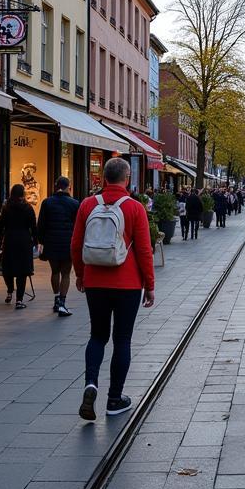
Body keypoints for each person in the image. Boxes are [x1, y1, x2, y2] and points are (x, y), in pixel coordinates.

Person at [72, 156, 155, 420]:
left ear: (103, 178)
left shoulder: (87, 204)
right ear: (127, 178)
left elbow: (76, 244)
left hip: (95, 281)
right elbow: (144, 250)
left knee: (97, 336)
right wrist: (149, 285)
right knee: (122, 339)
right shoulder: (134, 207)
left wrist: (81, 274)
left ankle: (91, 383)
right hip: (128, 284)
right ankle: (115, 399)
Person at [37, 176, 80, 316]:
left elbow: (41, 224)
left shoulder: (47, 202)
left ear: (56, 187)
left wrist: (41, 241)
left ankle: (56, 299)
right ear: (69, 187)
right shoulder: (74, 204)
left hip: (51, 242)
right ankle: (62, 302)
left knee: (54, 271)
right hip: (68, 242)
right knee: (66, 273)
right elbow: (78, 226)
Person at [0, 184, 37, 308]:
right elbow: (33, 227)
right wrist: (36, 241)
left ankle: (9, 291)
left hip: (10, 240)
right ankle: (19, 299)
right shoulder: (28, 208)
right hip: (24, 241)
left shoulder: (6, 208)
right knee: (22, 271)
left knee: (8, 268)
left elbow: (0, 226)